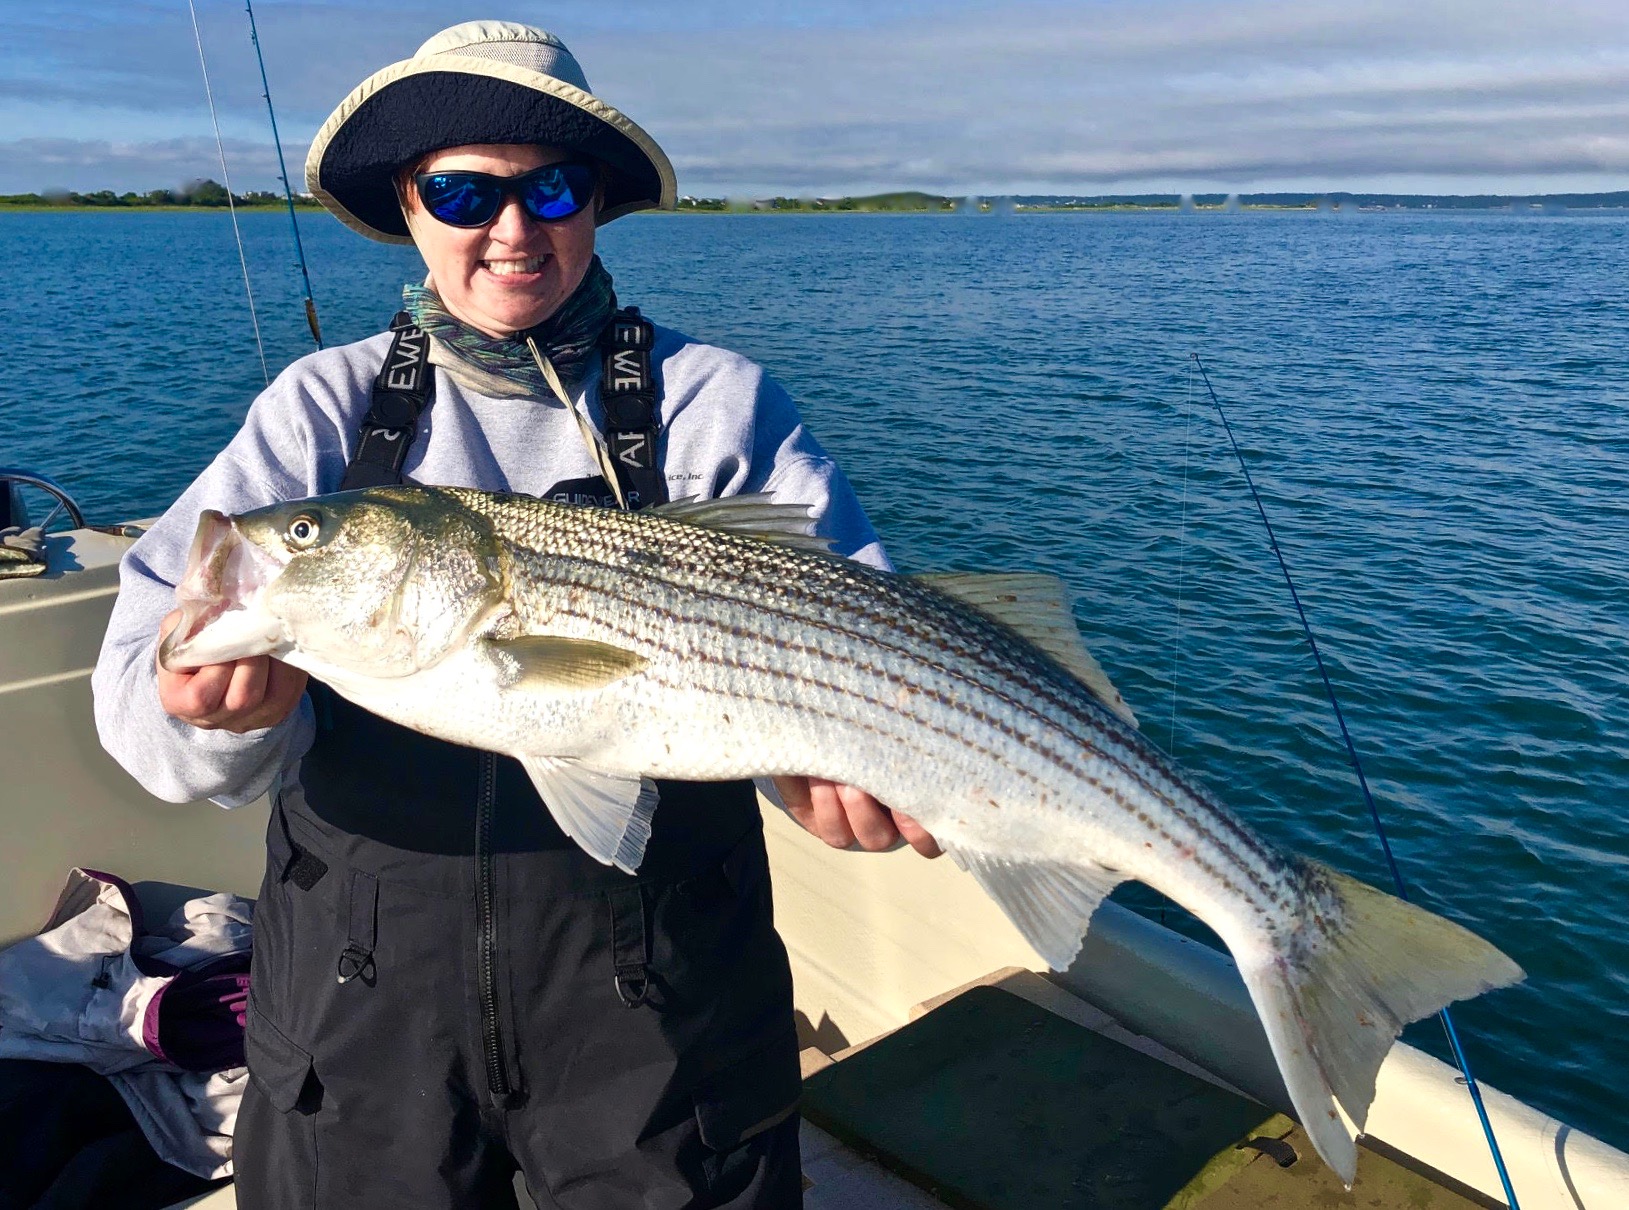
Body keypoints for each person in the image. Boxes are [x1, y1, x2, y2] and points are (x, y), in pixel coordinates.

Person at [92, 21, 937, 1210]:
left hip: (664, 1008)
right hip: (358, 999)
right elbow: (154, 725)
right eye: (462, 191)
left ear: (594, 203)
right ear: (409, 204)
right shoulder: (319, 415)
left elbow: (852, 644)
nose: (511, 228)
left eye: (551, 186)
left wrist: (849, 774)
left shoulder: (714, 405)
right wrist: (212, 719)